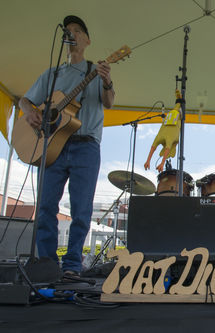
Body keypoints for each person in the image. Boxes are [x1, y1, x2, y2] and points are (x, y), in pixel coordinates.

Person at [18, 15, 115, 278]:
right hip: (51, 145)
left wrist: (107, 81)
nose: (70, 34)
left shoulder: (94, 71)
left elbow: (109, 102)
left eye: (76, 30)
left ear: (87, 40)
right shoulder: (51, 75)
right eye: (67, 31)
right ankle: (48, 264)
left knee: (81, 209)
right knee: (46, 206)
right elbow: (25, 101)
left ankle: (72, 264)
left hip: (86, 146)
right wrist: (30, 113)